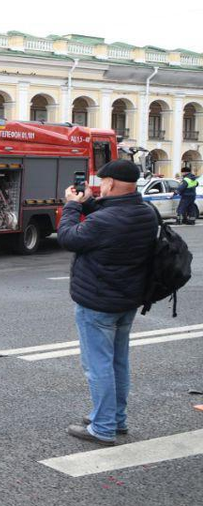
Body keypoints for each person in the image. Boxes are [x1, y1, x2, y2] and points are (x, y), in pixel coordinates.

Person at [57, 159, 160, 445]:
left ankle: (102, 427)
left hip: (98, 302)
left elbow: (68, 238)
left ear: (111, 183)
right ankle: (116, 419)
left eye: (102, 182)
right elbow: (112, 220)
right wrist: (90, 203)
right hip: (127, 300)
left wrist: (72, 206)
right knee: (118, 363)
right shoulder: (145, 212)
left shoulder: (106, 220)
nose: (99, 186)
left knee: (98, 365)